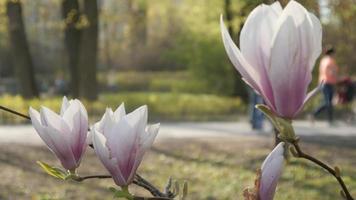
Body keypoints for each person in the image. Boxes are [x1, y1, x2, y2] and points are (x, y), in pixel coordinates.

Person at [313, 46, 339, 123]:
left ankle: (315, 114)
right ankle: (329, 119)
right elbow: (331, 72)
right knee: (329, 102)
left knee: (328, 102)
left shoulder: (323, 60)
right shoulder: (330, 61)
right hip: (328, 83)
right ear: (331, 53)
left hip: (323, 82)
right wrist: (338, 78)